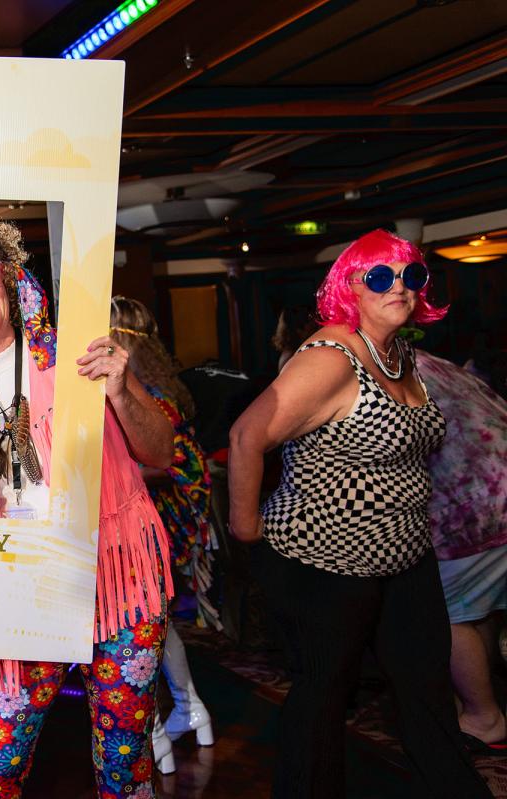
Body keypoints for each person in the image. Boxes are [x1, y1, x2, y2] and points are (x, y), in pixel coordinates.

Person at [0, 218, 175, 799]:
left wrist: (121, 391)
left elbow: (161, 452)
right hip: (19, 593)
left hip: (116, 580)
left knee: (126, 767)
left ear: (6, 278)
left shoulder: (77, 359)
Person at [228, 228, 492, 798]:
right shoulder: (332, 357)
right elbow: (247, 435)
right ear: (349, 287)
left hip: (405, 554)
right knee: (324, 696)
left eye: (410, 275)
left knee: (426, 689)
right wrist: (245, 530)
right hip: (324, 561)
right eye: (379, 276)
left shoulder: (400, 353)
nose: (399, 287)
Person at [108, 296, 216, 772]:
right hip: (169, 514)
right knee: (156, 621)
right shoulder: (158, 384)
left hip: (152, 519)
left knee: (128, 624)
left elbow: (164, 460)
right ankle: (190, 709)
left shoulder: (136, 391)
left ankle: (153, 734)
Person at [413, 350, 507, 754]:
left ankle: (483, 717)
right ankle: (486, 701)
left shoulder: (383, 367)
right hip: (494, 488)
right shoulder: (427, 360)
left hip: (477, 505)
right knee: (477, 605)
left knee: (444, 611)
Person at [270, 304, 319, 372]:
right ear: (300, 329)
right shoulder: (290, 358)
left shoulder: (297, 353)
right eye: (310, 320)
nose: (317, 325)